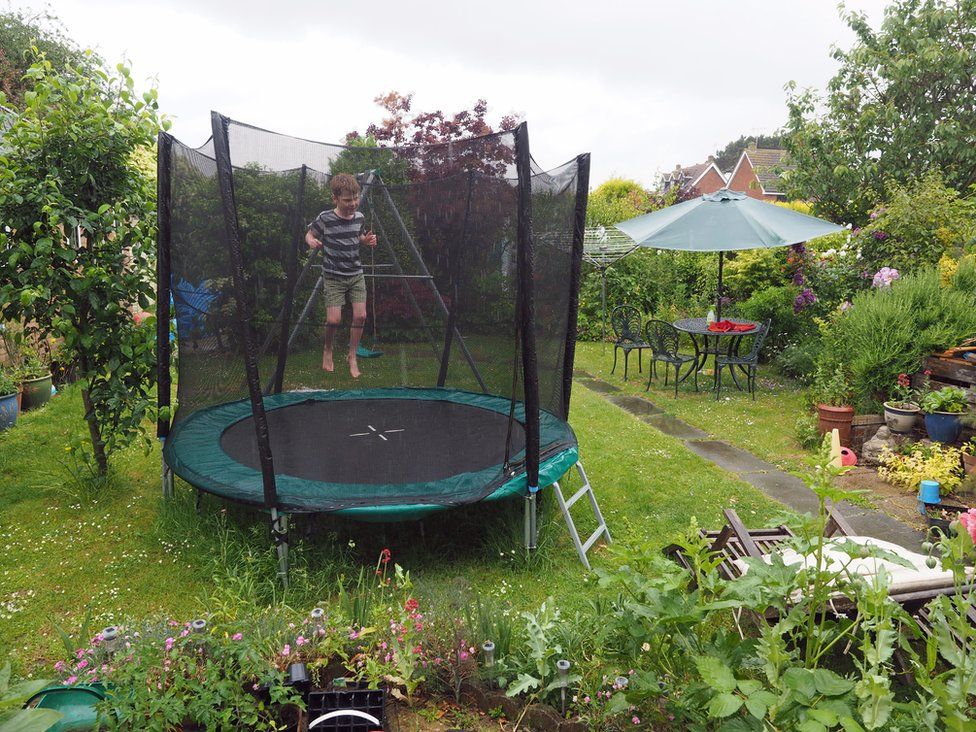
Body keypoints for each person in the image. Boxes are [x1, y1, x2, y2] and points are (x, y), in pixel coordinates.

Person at [305, 173, 377, 378]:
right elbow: (310, 233)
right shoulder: (325, 218)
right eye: (347, 200)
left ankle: (352, 356)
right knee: (334, 320)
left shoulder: (360, 217)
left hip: (355, 274)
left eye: (356, 198)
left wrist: (367, 241)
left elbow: (359, 236)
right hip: (334, 276)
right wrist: (311, 240)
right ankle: (328, 349)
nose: (353, 203)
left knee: (361, 316)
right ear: (335, 199)